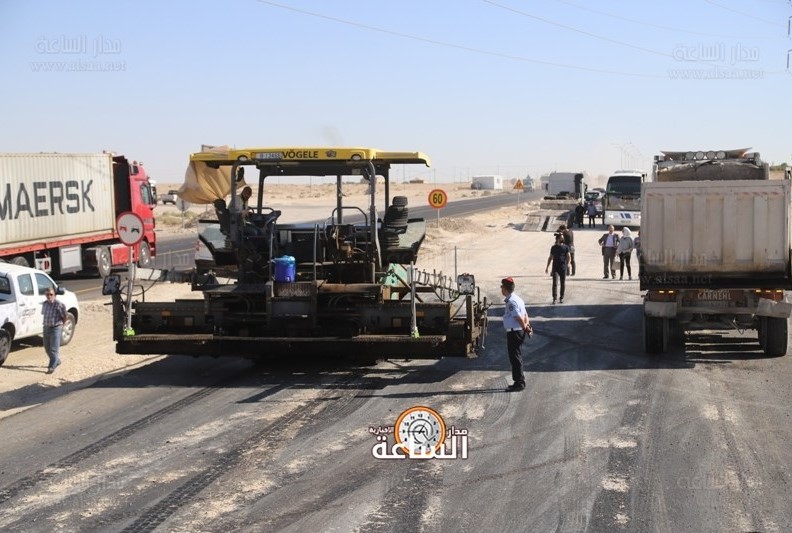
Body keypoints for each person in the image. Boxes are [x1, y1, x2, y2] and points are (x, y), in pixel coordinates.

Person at [500, 277, 532, 392]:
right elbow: (525, 314)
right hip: (518, 331)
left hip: (515, 332)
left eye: (501, 287)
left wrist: (524, 327)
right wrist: (527, 326)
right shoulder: (517, 299)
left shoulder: (511, 302)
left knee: (515, 358)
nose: (501, 289)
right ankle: (518, 381)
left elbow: (518, 317)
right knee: (516, 357)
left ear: (505, 289)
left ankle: (519, 383)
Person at [42, 288, 67, 374]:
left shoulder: (59, 304)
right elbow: (44, 315)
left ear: (54, 295)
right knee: (47, 347)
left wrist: (61, 325)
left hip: (56, 327)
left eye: (51, 294)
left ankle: (51, 367)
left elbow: (64, 316)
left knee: (54, 349)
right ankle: (57, 360)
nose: (49, 296)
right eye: (47, 294)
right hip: (46, 327)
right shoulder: (45, 304)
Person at [545, 233, 571, 304]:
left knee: (563, 283)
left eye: (563, 238)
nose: (562, 239)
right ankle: (554, 298)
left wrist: (568, 264)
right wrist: (547, 267)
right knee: (555, 283)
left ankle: (561, 297)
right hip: (555, 268)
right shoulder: (553, 247)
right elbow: (550, 257)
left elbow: (568, 256)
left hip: (563, 267)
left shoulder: (566, 247)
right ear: (557, 239)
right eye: (561, 238)